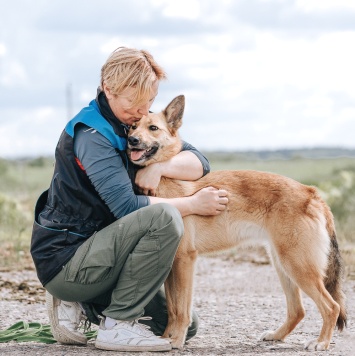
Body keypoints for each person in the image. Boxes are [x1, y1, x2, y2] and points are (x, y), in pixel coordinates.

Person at [30, 47, 228, 352]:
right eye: (135, 102)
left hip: (106, 251)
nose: (142, 110)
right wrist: (191, 204)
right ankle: (112, 324)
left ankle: (93, 303)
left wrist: (161, 167)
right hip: (68, 256)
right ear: (109, 89)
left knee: (183, 327)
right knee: (165, 218)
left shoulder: (131, 124)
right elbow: (126, 208)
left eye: (148, 101)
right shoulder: (93, 134)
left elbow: (200, 161)